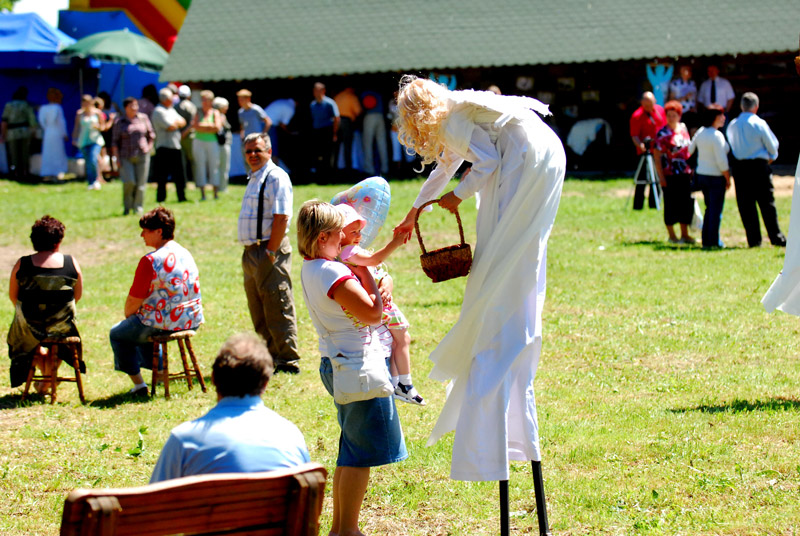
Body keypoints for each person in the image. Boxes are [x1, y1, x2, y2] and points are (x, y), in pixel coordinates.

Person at [392, 75, 565, 482]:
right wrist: (414, 211)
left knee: (502, 255)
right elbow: (447, 166)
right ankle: (499, 310)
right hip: (542, 152)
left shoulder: (453, 119)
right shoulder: (454, 116)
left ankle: (495, 318)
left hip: (525, 158)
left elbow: (485, 162)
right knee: (512, 250)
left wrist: (458, 197)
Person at [297, 200, 407, 536]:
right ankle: (348, 530)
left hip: (341, 364)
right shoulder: (331, 271)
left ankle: (342, 528)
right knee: (360, 455)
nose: (344, 240)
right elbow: (373, 314)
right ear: (322, 237)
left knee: (351, 448)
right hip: (357, 368)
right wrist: (368, 278)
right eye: (338, 235)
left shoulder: (312, 266)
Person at [150, 333, 310, 482]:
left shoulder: (183, 442)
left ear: (213, 379)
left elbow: (154, 505)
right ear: (265, 383)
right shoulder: (290, 435)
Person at [334, 204, 424, 405]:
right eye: (352, 232)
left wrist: (386, 283)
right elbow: (376, 259)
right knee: (404, 338)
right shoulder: (348, 251)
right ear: (339, 234)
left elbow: (380, 271)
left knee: (397, 341)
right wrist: (395, 243)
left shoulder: (350, 250)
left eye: (359, 231)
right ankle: (405, 384)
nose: (358, 235)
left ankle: (397, 382)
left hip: (380, 304)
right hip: (380, 306)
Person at [109, 207, 203, 397]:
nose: (142, 235)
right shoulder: (185, 252)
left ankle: (139, 385)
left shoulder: (150, 260)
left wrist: (130, 316)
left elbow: (134, 299)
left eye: (146, 230)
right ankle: (159, 374)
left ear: (159, 231)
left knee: (120, 333)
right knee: (142, 323)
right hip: (190, 319)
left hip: (162, 322)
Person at [238, 133, 301, 374]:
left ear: (269, 151)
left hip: (268, 248)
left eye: (258, 150)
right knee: (258, 306)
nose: (253, 155)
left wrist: (272, 251)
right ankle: (268, 356)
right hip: (251, 251)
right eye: (248, 152)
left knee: (277, 303)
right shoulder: (254, 177)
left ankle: (288, 360)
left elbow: (282, 216)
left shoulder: (276, 177)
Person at [7, 216, 85, 390]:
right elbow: (76, 296)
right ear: (58, 241)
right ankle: (49, 376)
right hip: (62, 324)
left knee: (26, 338)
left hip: (29, 325)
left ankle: (45, 376)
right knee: (60, 338)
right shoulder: (70, 263)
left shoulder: (23, 264)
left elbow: (13, 296)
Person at [726, 92, 786, 248]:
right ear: (756, 107)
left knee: (746, 205)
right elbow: (772, 146)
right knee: (767, 203)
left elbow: (731, 145)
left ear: (741, 106)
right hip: (759, 166)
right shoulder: (759, 123)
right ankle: (776, 237)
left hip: (740, 168)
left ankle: (754, 240)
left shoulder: (733, 125)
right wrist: (770, 157)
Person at [653, 100, 696, 244]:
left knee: (685, 203)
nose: (671, 118)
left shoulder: (683, 129)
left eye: (674, 115)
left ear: (679, 116)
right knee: (671, 204)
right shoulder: (662, 134)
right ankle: (672, 235)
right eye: (669, 115)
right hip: (669, 174)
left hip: (684, 173)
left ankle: (685, 234)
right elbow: (657, 157)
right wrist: (661, 176)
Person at [688, 106, 731, 249]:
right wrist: (727, 177)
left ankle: (706, 239)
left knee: (709, 209)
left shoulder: (700, 132)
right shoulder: (716, 135)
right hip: (715, 177)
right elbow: (721, 161)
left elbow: (690, 149)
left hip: (702, 175)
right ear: (714, 118)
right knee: (715, 210)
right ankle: (713, 240)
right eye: (721, 116)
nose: (723, 118)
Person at [111, 97, 155, 216]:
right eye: (132, 106)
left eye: (136, 105)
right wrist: (116, 158)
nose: (135, 108)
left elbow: (151, 135)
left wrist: (149, 147)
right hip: (125, 156)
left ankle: (138, 208)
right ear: (126, 108)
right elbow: (114, 142)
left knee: (141, 184)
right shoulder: (120, 122)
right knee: (129, 182)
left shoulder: (143, 118)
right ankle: (127, 207)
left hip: (142, 154)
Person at [629, 91, 666, 210]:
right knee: (642, 179)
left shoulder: (660, 111)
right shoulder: (637, 115)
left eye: (650, 105)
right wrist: (640, 145)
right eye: (646, 106)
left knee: (658, 177)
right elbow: (634, 135)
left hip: (658, 150)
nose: (649, 108)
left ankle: (654, 203)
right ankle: (638, 205)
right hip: (644, 152)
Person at [151, 88, 188, 203]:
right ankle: (161, 198)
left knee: (179, 174)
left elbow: (183, 121)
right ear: (165, 99)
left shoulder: (171, 110)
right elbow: (170, 126)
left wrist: (175, 124)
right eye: (171, 98)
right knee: (162, 175)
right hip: (163, 147)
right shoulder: (158, 111)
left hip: (175, 146)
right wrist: (176, 124)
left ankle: (181, 197)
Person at [191, 90, 222, 201]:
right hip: (199, 141)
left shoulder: (215, 112)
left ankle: (215, 193)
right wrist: (209, 126)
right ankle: (203, 194)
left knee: (214, 166)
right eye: (202, 99)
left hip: (212, 142)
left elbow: (217, 127)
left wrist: (203, 126)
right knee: (200, 166)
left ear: (211, 101)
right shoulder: (198, 112)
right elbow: (195, 126)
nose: (203, 102)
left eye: (206, 99)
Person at [1, 86, 37, 179]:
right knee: (25, 153)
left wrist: (3, 135)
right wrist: (33, 132)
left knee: (14, 154)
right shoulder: (26, 105)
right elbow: (32, 121)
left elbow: (4, 121)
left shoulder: (9, 105)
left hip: (12, 133)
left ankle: (16, 173)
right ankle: (25, 172)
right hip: (25, 132)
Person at [72, 94, 106, 190]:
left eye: (87, 102)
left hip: (95, 140)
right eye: (83, 102)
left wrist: (98, 127)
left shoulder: (97, 113)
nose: (85, 104)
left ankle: (96, 180)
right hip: (83, 140)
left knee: (93, 159)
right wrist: (74, 138)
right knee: (88, 162)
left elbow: (103, 127)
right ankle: (90, 182)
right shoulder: (79, 113)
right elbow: (76, 127)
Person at [37, 88, 69, 183]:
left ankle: (48, 172)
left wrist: (46, 128)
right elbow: (61, 123)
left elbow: (41, 121)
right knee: (57, 153)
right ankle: (57, 172)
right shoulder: (57, 108)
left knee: (48, 153)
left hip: (48, 133)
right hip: (56, 133)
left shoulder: (43, 108)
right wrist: (64, 134)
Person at [309, 82, 340, 179]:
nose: (316, 93)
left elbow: (336, 118)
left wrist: (334, 133)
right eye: (315, 90)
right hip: (317, 131)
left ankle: (329, 176)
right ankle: (319, 176)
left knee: (328, 155)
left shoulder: (330, 103)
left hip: (327, 131)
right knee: (318, 154)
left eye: (318, 90)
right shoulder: (312, 104)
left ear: (323, 91)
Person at [360, 89, 389, 177]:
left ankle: (369, 169)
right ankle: (385, 168)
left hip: (369, 116)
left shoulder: (364, 93)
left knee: (367, 144)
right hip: (380, 116)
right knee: (382, 143)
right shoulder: (378, 93)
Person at [333, 87, 362, 173]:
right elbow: (358, 111)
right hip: (347, 122)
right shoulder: (351, 97)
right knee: (347, 146)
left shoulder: (338, 96)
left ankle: (334, 168)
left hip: (337, 122)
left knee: (336, 147)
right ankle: (348, 169)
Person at [264, 97, 296, 171]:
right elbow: (283, 124)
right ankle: (274, 172)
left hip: (265, 124)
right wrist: (289, 132)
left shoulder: (282, 101)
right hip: (268, 126)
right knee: (272, 149)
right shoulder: (291, 108)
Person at [176, 85, 197, 183]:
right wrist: (184, 133)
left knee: (183, 161)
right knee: (193, 160)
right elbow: (193, 123)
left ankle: (185, 181)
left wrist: (181, 134)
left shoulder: (175, 106)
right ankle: (195, 180)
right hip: (189, 136)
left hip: (180, 136)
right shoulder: (191, 106)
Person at [668, 65, 698, 130]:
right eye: (687, 70)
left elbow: (695, 98)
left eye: (690, 70)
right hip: (681, 112)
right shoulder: (675, 84)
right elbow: (672, 100)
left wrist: (695, 108)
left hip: (692, 112)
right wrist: (684, 97)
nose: (689, 72)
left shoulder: (692, 83)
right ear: (681, 71)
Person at [213, 96, 232, 193]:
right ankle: (222, 187)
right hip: (222, 144)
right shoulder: (219, 116)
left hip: (223, 144)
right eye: (225, 106)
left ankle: (222, 186)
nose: (227, 108)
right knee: (223, 166)